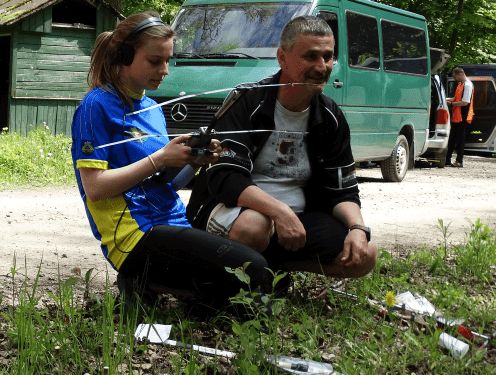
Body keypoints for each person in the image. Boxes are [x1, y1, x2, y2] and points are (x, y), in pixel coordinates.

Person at [70, 12, 271, 303]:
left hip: (173, 223)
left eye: (168, 60)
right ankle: (142, 279)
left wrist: (193, 161)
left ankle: (150, 286)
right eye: (155, 61)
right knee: (254, 270)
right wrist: (161, 158)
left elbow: (167, 183)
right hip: (135, 235)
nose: (164, 70)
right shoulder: (95, 105)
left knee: (252, 276)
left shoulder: (152, 108)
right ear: (124, 56)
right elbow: (95, 188)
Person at [186, 15, 377, 280]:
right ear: (282, 58)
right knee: (255, 226)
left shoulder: (331, 117)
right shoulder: (247, 100)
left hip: (298, 219)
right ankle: (234, 283)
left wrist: (357, 228)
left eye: (328, 56)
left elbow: (343, 190)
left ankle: (273, 270)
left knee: (365, 255)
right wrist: (280, 212)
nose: (322, 66)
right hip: (234, 211)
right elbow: (227, 178)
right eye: (310, 56)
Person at [445, 67, 474, 168]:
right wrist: (446, 99)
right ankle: (447, 160)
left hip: (463, 116)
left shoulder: (467, 85)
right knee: (452, 138)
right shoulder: (461, 84)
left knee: (460, 139)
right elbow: (456, 98)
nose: (455, 79)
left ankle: (459, 161)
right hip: (456, 115)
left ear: (460, 74)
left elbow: (465, 102)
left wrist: (452, 104)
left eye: (455, 77)